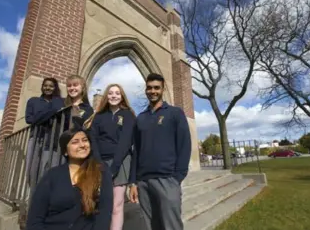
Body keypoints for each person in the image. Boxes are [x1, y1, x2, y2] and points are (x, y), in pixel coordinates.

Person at [129, 73, 192, 230]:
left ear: (163, 89)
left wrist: (177, 177)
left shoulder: (175, 113)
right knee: (151, 226)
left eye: (156, 88)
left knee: (171, 226)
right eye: (149, 88)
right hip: (143, 182)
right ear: (146, 90)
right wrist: (134, 182)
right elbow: (136, 150)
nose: (152, 91)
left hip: (167, 179)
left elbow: (185, 145)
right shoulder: (140, 118)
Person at [26, 128, 113, 230]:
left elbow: (104, 213)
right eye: (75, 142)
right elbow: (35, 219)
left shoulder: (100, 171)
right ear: (65, 151)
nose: (82, 145)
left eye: (85, 140)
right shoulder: (52, 176)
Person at [85, 84, 136, 230]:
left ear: (122, 96)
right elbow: (93, 139)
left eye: (117, 93)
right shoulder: (99, 116)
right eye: (111, 93)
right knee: (100, 202)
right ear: (106, 95)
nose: (114, 96)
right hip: (100, 162)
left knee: (116, 204)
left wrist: (114, 166)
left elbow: (126, 141)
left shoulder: (128, 115)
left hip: (120, 163)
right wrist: (99, 162)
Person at [25, 78, 63, 187]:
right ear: (42, 87)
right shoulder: (33, 101)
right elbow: (29, 119)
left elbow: (36, 118)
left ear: (55, 88)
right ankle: (31, 190)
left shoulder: (58, 101)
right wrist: (52, 112)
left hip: (51, 138)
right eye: (45, 85)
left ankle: (43, 192)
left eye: (51, 86)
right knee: (31, 166)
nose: (48, 88)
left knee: (46, 167)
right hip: (36, 137)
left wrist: (40, 116)